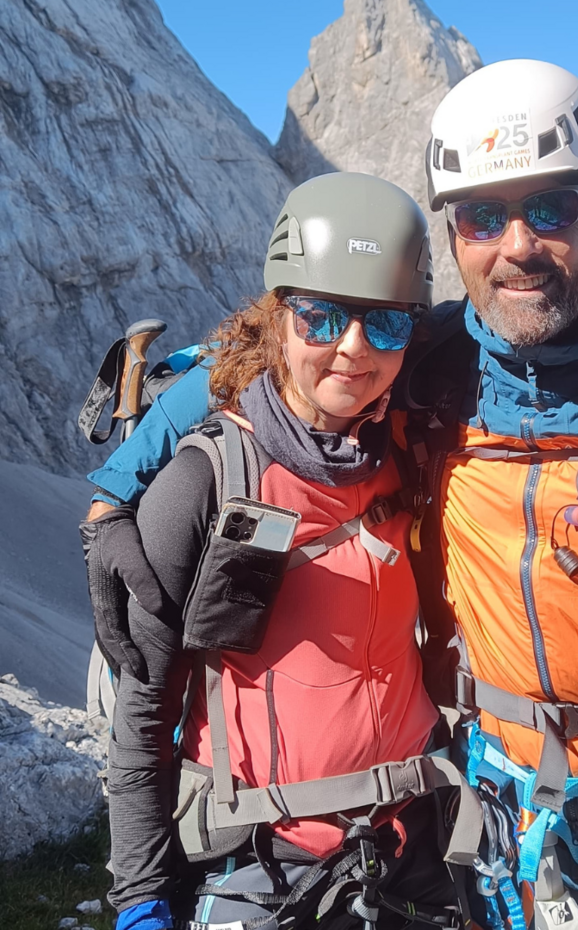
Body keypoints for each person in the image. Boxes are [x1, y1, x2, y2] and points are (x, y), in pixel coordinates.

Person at [83, 62, 578, 930]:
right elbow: (265, 362)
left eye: (549, 206)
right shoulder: (437, 359)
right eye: (483, 215)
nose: (517, 244)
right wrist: (113, 494)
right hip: (499, 827)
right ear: (453, 233)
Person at [94, 172, 471, 930]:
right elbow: (142, 712)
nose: (352, 350)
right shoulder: (206, 481)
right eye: (321, 317)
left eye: (385, 325)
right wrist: (140, 899)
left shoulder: (406, 448)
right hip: (269, 862)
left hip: (414, 848)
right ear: (280, 320)